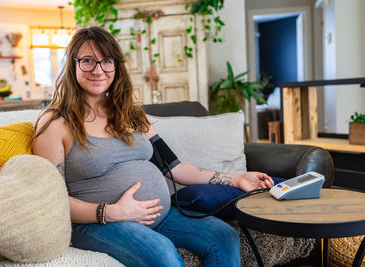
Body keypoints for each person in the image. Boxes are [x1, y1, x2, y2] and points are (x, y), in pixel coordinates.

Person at [32, 26, 274, 267]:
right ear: (72, 64)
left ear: (116, 67)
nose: (98, 70)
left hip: (159, 214)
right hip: (95, 223)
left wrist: (237, 179)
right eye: (87, 61)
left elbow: (175, 168)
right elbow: (51, 199)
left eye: (107, 61)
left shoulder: (132, 115)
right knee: (163, 254)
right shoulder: (56, 122)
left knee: (224, 236)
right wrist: (111, 212)